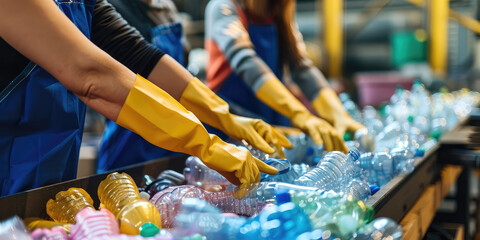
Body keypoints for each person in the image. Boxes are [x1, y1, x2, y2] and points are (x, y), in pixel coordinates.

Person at [0, 0, 283, 196]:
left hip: (45, 184)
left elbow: (140, 57)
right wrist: (204, 143)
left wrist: (227, 118)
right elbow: (89, 74)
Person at [205, 0, 365, 152]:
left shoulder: (278, 14)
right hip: (232, 128)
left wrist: (339, 115)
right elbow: (246, 62)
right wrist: (301, 115)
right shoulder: (224, 7)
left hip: (273, 125)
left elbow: (301, 67)